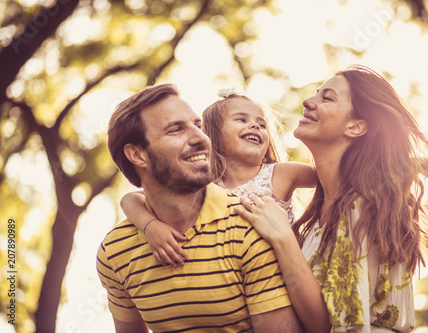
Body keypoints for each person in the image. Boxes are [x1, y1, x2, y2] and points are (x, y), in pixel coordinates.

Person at [235, 65, 428, 333]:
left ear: (355, 126)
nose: (309, 101)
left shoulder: (363, 205)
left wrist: (282, 237)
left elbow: (327, 324)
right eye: (316, 93)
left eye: (326, 97)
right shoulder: (319, 217)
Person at [96, 84, 303, 333]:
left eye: (198, 126)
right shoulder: (115, 251)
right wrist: (148, 225)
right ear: (137, 155)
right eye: (176, 130)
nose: (200, 138)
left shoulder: (253, 223)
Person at [120, 91, 318, 266]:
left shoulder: (282, 174)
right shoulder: (206, 186)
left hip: (287, 277)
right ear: (213, 134)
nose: (255, 126)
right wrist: (151, 226)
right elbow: (130, 199)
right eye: (241, 119)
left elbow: (332, 177)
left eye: (261, 124)